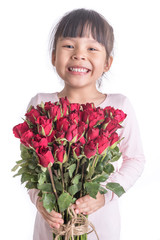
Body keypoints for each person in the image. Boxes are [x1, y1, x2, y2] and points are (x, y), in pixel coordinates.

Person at [28, 8, 145, 240]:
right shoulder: (41, 104)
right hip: (51, 229)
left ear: (107, 63)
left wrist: (105, 194)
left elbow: (136, 159)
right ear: (53, 57)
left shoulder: (118, 107)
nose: (79, 55)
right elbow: (33, 168)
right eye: (69, 46)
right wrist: (40, 201)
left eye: (91, 48)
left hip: (100, 229)